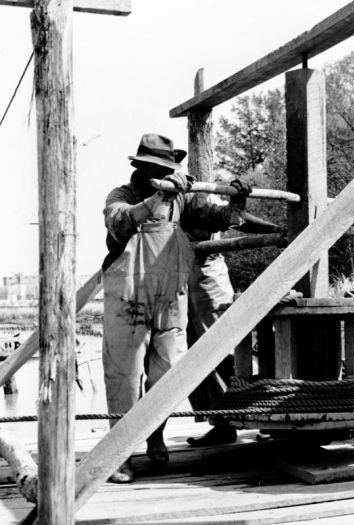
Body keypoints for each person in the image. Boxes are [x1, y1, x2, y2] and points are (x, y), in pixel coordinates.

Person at [102, 133, 250, 483]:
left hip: (171, 298)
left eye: (167, 168)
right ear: (141, 168)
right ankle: (117, 457)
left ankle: (156, 438)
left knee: (168, 374)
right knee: (124, 378)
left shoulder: (182, 200)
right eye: (157, 168)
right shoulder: (120, 196)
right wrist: (158, 196)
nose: (164, 172)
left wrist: (236, 205)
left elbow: (215, 217)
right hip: (128, 301)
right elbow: (120, 223)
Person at [185, 189, 283, 447]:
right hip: (181, 279)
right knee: (195, 355)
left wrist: (274, 229)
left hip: (207, 278)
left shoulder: (196, 198)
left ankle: (258, 412)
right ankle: (221, 422)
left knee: (223, 351)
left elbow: (232, 216)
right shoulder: (163, 201)